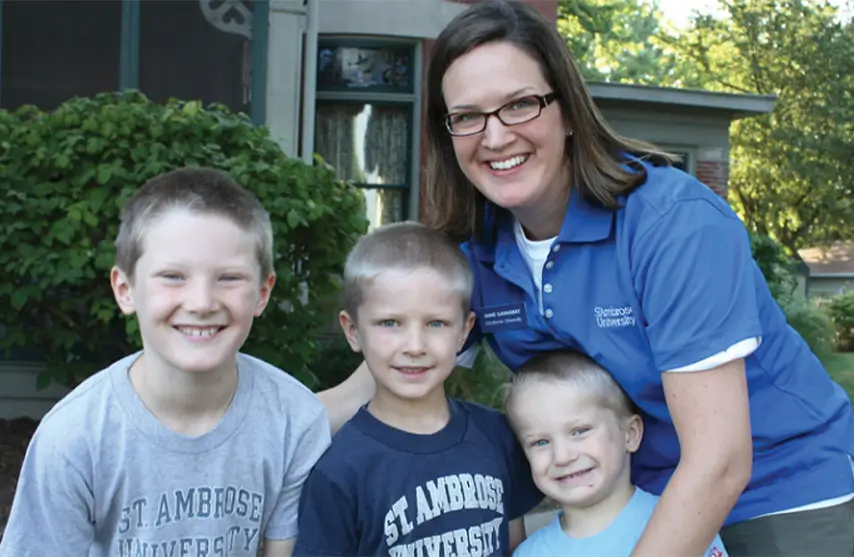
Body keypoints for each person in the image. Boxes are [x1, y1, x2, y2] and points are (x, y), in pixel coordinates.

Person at [316, 1, 854, 555]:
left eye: (520, 105)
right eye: (468, 116)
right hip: (628, 499)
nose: (495, 137)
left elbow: (720, 461)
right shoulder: (475, 251)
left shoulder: (673, 225)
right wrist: (244, 421)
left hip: (780, 493)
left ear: (568, 111)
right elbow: (367, 391)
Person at [0, 167, 330, 557]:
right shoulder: (74, 437)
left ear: (262, 293)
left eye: (229, 278)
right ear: (125, 290)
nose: (202, 302)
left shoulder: (294, 421)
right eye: (173, 276)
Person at [294, 222, 543, 556]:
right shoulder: (339, 469)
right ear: (352, 331)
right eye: (390, 323)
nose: (414, 346)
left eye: (436, 323)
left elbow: (514, 544)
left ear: (464, 331)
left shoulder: (496, 436)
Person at [506, 351, 728, 557]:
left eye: (580, 431)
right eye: (541, 442)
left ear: (630, 434)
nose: (562, 456)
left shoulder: (685, 523)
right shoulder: (530, 554)